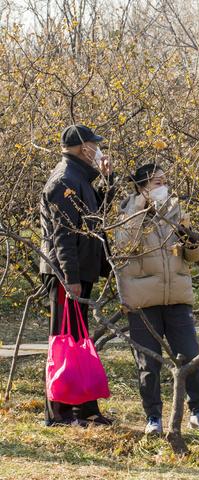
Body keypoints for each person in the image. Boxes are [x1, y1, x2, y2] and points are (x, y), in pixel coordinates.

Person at [115, 163, 199, 435]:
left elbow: (195, 257)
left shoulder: (175, 211)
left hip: (176, 296)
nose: (163, 186)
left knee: (190, 356)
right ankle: (153, 418)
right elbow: (124, 245)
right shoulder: (127, 212)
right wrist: (140, 207)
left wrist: (193, 243)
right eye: (156, 182)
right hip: (142, 300)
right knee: (149, 363)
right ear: (141, 186)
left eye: (164, 180)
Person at [40, 124, 115, 426]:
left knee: (78, 339)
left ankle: (85, 409)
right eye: (94, 144)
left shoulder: (79, 178)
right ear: (82, 147)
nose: (98, 149)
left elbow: (97, 216)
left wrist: (108, 180)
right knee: (64, 339)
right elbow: (62, 237)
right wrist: (69, 277)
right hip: (66, 274)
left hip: (79, 270)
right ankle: (58, 412)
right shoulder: (64, 181)